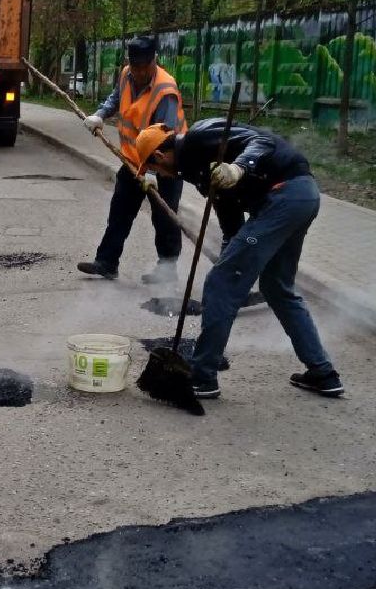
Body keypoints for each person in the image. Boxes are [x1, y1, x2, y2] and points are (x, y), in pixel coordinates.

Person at [135, 118, 345, 402]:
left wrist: (239, 167)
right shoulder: (202, 175)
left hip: (284, 195)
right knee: (276, 287)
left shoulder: (198, 137)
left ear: (160, 155)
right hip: (298, 199)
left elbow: (264, 142)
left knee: (220, 286)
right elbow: (232, 226)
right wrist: (229, 257)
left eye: (154, 169)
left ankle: (202, 377)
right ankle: (323, 373)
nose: (162, 176)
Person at [77, 35, 185, 284]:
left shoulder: (165, 90)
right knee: (120, 211)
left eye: (143, 67)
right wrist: (100, 115)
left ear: (154, 61)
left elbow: (165, 134)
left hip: (164, 166)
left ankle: (167, 271)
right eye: (134, 66)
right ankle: (107, 262)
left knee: (164, 218)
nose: (137, 72)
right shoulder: (127, 75)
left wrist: (153, 172)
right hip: (132, 162)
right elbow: (116, 98)